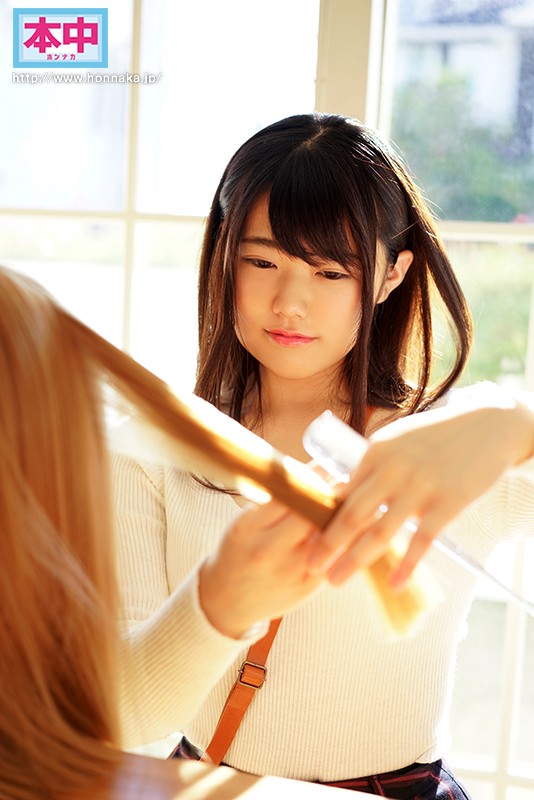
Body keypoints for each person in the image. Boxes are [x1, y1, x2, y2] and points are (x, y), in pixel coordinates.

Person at [112, 113, 534, 798]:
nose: (290, 302)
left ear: (392, 275)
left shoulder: (443, 446)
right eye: (262, 262)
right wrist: (218, 601)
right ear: (224, 256)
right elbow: (127, 710)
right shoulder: (156, 444)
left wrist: (515, 422)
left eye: (331, 271)